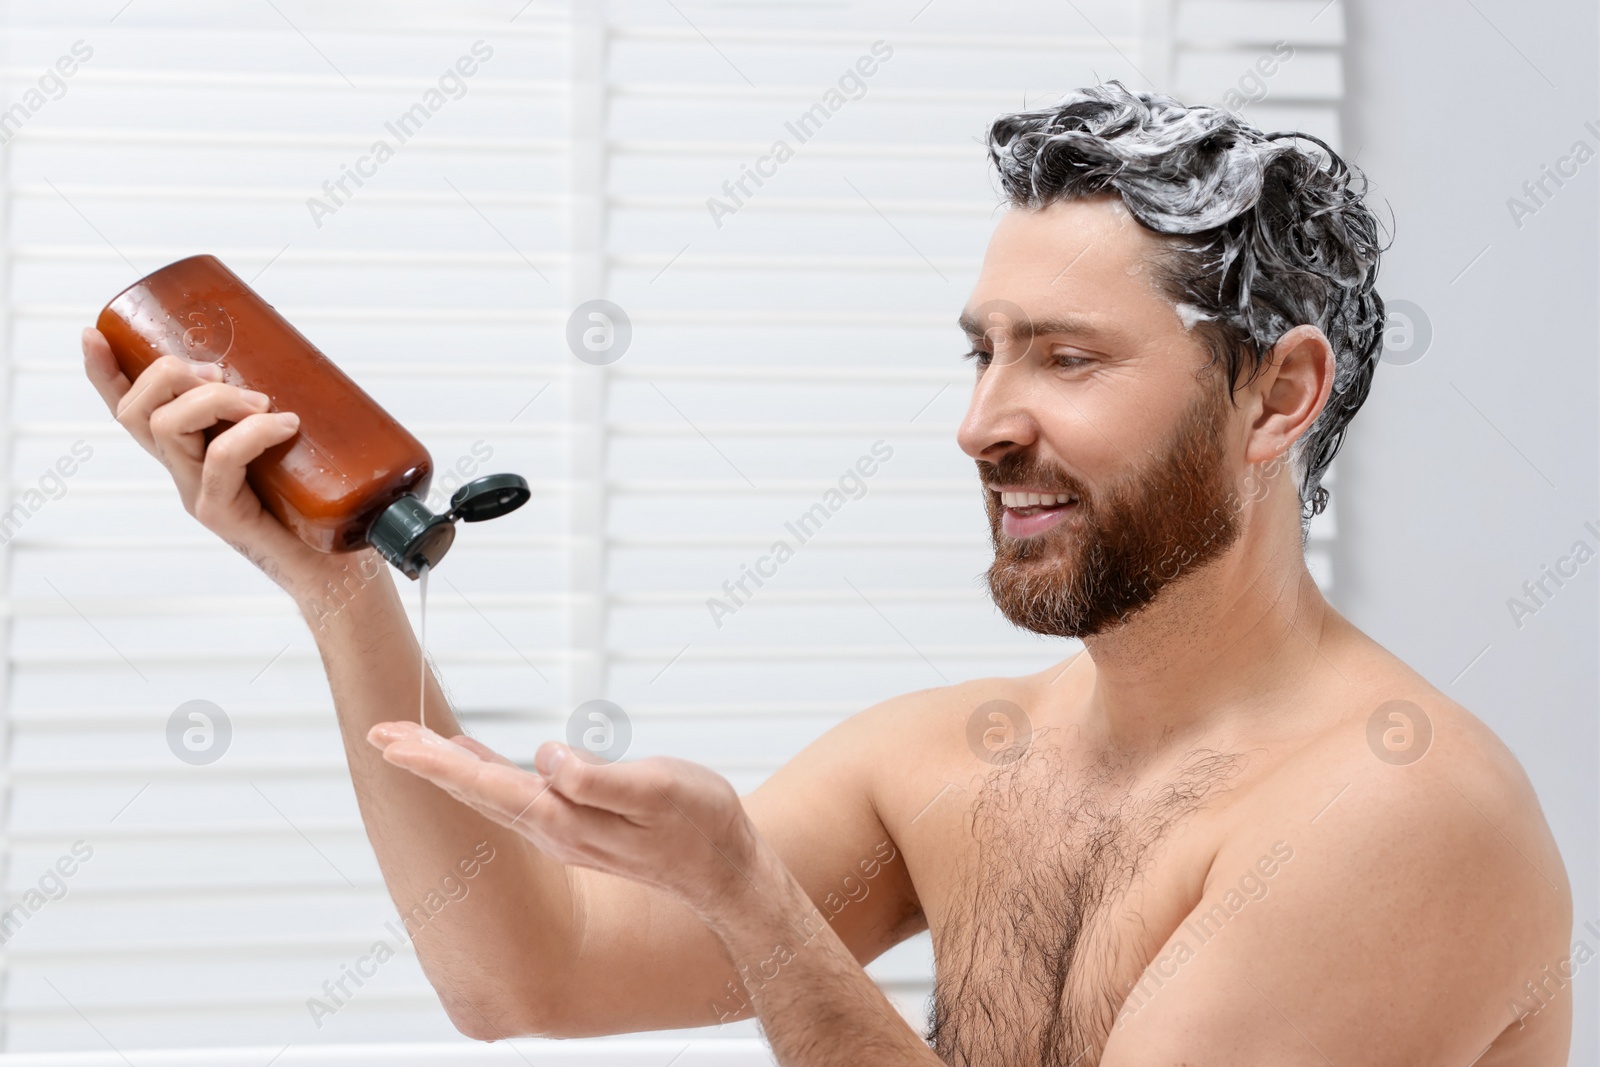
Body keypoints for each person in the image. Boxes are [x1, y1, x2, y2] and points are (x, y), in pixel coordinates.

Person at [82, 82, 1571, 1065]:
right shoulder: (950, 760)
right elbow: (526, 977)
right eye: (981, 351)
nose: (985, 422)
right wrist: (341, 595)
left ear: (1280, 396)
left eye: (1068, 356)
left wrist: (756, 901)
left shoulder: (1397, 809)